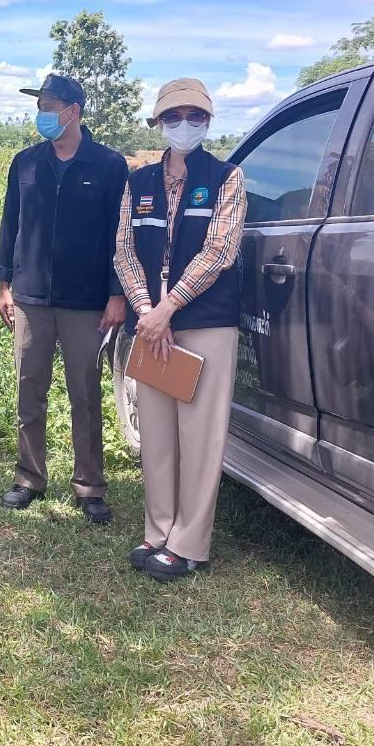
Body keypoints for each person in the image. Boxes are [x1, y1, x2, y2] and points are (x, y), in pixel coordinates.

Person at [114, 77, 247, 581]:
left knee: (199, 436)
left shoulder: (226, 178)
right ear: (159, 123)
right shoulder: (138, 183)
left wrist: (168, 308)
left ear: (207, 122)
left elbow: (219, 251)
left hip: (203, 322)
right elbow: (124, 250)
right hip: (152, 325)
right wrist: (147, 311)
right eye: (173, 116)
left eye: (194, 116)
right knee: (157, 434)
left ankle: (189, 544)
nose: (184, 124)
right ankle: (157, 531)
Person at [0, 74, 128, 522]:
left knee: (85, 394)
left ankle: (89, 486)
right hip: (30, 297)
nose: (42, 115)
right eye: (40, 107)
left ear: (74, 112)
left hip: (86, 302)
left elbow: (120, 235)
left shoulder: (108, 165)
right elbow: (10, 223)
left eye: (49, 107)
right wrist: (4, 284)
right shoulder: (26, 163)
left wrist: (116, 294)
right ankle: (29, 477)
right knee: (29, 388)